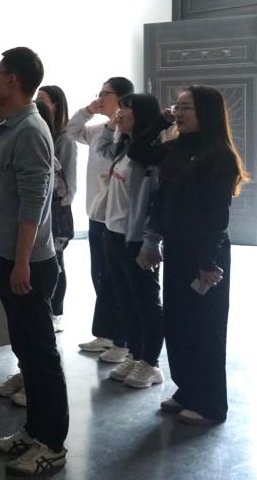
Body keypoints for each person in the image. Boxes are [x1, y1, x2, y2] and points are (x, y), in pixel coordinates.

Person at [128, 86, 247, 425]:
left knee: (204, 328)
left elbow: (216, 216)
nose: (179, 113)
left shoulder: (219, 155)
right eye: (177, 107)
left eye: (186, 108)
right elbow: (138, 151)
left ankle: (210, 404)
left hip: (205, 252)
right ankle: (188, 389)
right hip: (177, 247)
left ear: (206, 112)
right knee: (178, 323)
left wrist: (208, 262)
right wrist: (160, 122)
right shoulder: (176, 148)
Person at [0, 47, 68, 475]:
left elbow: (34, 203)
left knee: (40, 354)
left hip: (29, 263)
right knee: (25, 351)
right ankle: (34, 431)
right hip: (8, 256)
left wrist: (20, 262)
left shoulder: (31, 130)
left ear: (13, 79)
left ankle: (52, 444)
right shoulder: (8, 126)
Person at [96, 93, 166, 389]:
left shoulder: (151, 155)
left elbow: (155, 203)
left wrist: (151, 241)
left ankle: (151, 363)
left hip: (136, 238)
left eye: (127, 108)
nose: (120, 112)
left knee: (145, 301)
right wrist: (112, 126)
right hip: (113, 233)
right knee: (125, 299)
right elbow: (101, 148)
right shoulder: (124, 147)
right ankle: (135, 354)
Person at [65, 76, 135, 363]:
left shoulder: (128, 134)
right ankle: (105, 332)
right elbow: (70, 131)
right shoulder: (97, 131)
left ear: (122, 98)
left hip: (118, 217)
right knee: (100, 275)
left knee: (118, 279)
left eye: (106, 93)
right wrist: (88, 110)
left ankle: (124, 339)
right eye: (100, 93)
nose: (100, 97)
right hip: (96, 212)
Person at [37, 85, 76, 333]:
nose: (37, 103)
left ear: (56, 105)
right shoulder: (42, 133)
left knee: (56, 262)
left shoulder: (65, 138)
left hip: (58, 208)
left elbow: (68, 179)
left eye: (43, 100)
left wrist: (62, 203)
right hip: (44, 207)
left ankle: (56, 312)